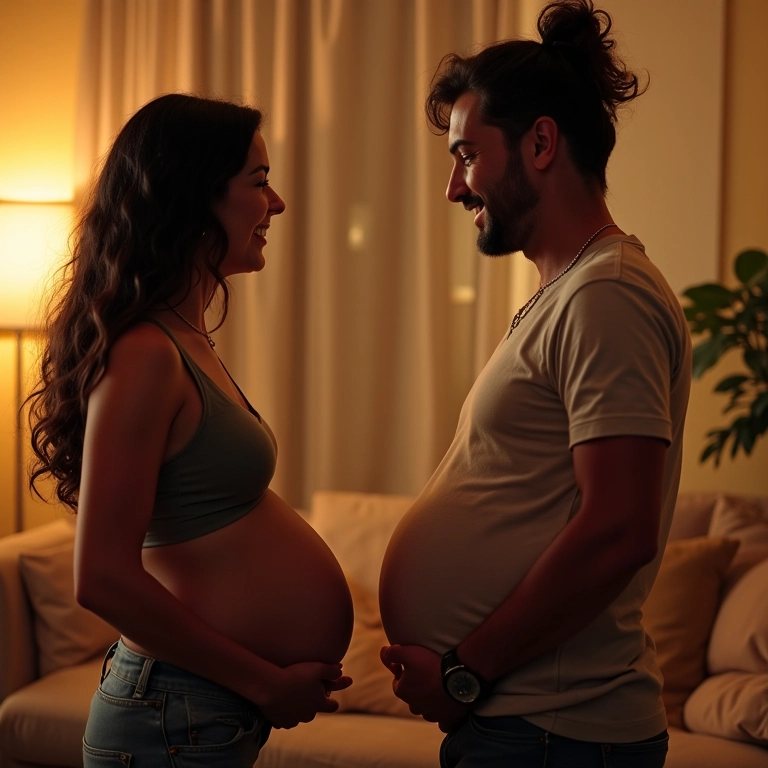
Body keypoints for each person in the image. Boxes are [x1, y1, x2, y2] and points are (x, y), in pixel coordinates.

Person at [378, 2, 691, 767]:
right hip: (532, 729)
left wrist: (464, 671)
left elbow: (619, 529)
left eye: (467, 155)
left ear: (541, 142)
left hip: (556, 735)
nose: (455, 188)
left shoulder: (605, 295)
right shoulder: (573, 292)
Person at [27, 93, 354, 767]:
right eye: (259, 183)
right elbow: (103, 578)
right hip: (170, 713)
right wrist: (265, 681)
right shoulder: (146, 353)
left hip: (194, 711)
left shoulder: (183, 338)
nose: (278, 205)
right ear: (194, 197)